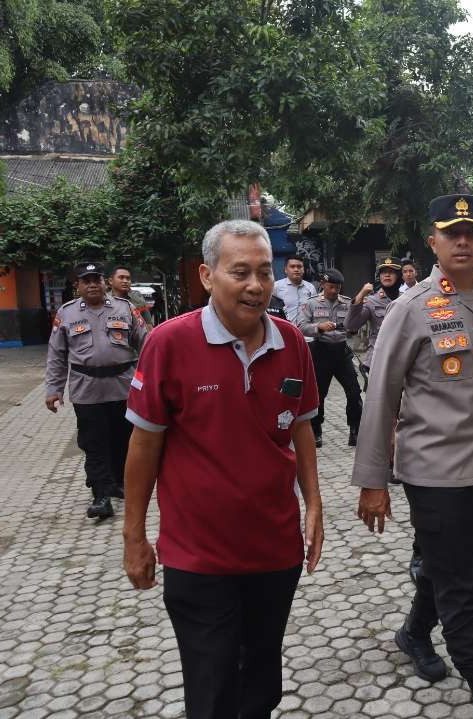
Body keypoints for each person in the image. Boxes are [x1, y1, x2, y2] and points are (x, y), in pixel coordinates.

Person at [122, 220, 324, 719]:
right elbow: (144, 446)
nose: (255, 286)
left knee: (260, 679)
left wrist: (314, 502)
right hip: (200, 557)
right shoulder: (170, 344)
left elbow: (300, 429)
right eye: (240, 272)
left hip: (274, 550)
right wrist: (134, 537)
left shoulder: (292, 342)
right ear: (208, 276)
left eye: (264, 272)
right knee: (212, 687)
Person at [352, 194, 473, 719]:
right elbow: (380, 396)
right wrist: (373, 479)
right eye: (451, 232)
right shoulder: (410, 308)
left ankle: (412, 634)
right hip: (432, 472)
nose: (461, 241)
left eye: (471, 233)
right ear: (433, 241)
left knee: (449, 561)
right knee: (464, 586)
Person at [45, 261, 147, 520]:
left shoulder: (125, 308)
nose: (92, 284)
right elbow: (57, 354)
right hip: (86, 389)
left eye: (96, 279)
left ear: (105, 283)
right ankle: (101, 494)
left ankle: (119, 483)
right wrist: (53, 388)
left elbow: (146, 344)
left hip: (123, 386)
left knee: (124, 439)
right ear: (77, 286)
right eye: (86, 280)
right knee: (94, 442)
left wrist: (153, 381)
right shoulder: (66, 314)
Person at [297, 268, 362, 448]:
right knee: (318, 394)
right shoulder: (311, 303)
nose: (334, 291)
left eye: (338, 287)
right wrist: (319, 327)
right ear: (323, 284)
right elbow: (301, 326)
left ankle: (355, 429)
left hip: (341, 352)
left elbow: (354, 324)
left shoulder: (347, 303)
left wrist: (352, 329)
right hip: (320, 351)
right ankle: (316, 431)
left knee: (354, 390)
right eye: (331, 286)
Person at [346, 256, 401, 384]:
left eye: (391, 271)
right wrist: (361, 294)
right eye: (383, 272)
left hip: (402, 359)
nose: (387, 275)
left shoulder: (407, 299)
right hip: (377, 361)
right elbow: (350, 325)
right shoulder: (371, 301)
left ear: (398, 275)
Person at [272, 255, 317, 325]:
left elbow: (314, 311)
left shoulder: (310, 288)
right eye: (292, 266)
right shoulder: (276, 287)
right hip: (285, 331)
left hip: (306, 333)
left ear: (303, 269)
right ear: (285, 270)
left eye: (299, 267)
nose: (296, 269)